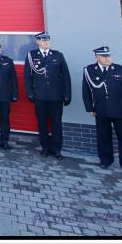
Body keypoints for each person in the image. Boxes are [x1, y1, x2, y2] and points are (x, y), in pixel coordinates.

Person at [82, 46, 122, 175]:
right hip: (101, 109)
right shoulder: (89, 70)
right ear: (97, 57)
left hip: (119, 109)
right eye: (104, 56)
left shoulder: (120, 70)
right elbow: (86, 90)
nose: (107, 58)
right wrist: (90, 108)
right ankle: (105, 160)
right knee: (103, 136)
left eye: (109, 56)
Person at [24, 31, 72, 159]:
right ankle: (45, 147)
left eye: (48, 40)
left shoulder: (57, 55)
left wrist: (67, 94)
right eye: (44, 40)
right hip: (39, 96)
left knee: (56, 123)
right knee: (42, 123)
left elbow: (66, 76)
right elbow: (27, 76)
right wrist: (30, 93)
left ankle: (57, 149)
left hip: (56, 97)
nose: (46, 42)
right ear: (38, 41)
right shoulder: (31, 55)